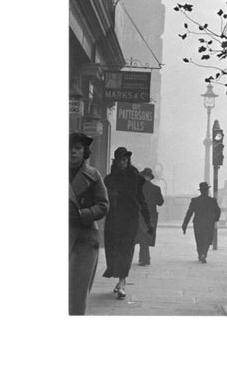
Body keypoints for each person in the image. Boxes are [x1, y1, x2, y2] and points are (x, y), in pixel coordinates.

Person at [103, 147, 153, 299]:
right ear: (115, 161)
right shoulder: (109, 179)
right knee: (113, 249)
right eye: (119, 160)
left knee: (126, 249)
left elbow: (141, 200)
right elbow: (102, 200)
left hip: (130, 219)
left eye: (125, 160)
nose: (122, 163)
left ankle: (122, 282)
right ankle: (119, 279)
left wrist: (148, 221)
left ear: (128, 161)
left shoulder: (135, 178)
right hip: (113, 219)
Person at [69, 132, 109, 315]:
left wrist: (82, 214)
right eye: (69, 148)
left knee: (77, 292)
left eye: (77, 148)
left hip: (84, 239)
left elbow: (103, 205)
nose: (72, 152)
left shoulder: (93, 175)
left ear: (85, 151)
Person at [182, 182, 221, 263]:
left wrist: (184, 225)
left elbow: (189, 213)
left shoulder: (195, 200)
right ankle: (204, 254)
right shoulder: (212, 201)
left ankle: (200, 254)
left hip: (198, 223)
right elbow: (218, 211)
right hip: (209, 223)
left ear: (200, 191)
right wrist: (215, 219)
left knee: (199, 239)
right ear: (207, 190)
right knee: (207, 240)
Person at [135, 168, 164, 266]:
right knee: (146, 236)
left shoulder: (137, 187)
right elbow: (160, 203)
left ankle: (144, 258)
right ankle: (145, 258)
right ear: (150, 177)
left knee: (141, 235)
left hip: (139, 215)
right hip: (151, 216)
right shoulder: (156, 189)